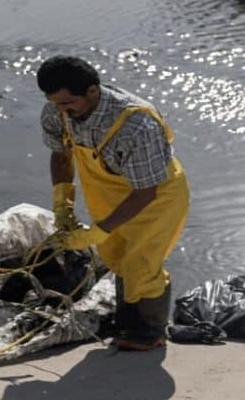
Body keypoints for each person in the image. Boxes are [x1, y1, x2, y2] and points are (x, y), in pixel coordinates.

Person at [37, 55, 190, 351]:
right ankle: (128, 326)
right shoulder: (57, 112)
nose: (61, 111)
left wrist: (99, 230)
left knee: (141, 263)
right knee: (117, 258)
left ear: (92, 92)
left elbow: (146, 192)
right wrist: (62, 204)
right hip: (107, 192)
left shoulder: (137, 124)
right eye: (55, 103)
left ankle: (150, 334)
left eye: (67, 103)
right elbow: (61, 155)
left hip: (157, 197)